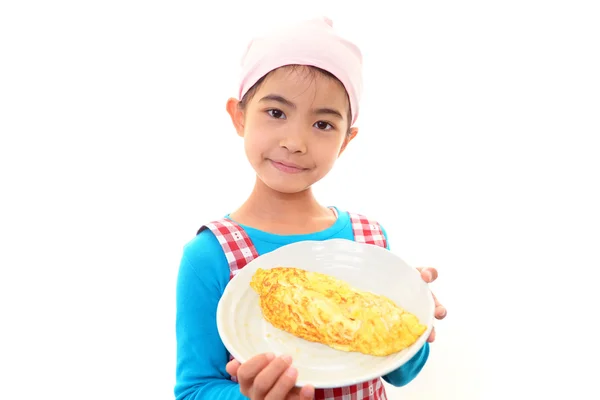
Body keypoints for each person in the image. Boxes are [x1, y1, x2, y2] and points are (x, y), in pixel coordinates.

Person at [174, 16, 447, 400]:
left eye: (322, 124)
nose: (296, 141)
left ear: (346, 140)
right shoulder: (209, 255)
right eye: (276, 113)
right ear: (239, 116)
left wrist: (410, 316)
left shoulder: (368, 239)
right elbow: (194, 389)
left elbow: (400, 373)